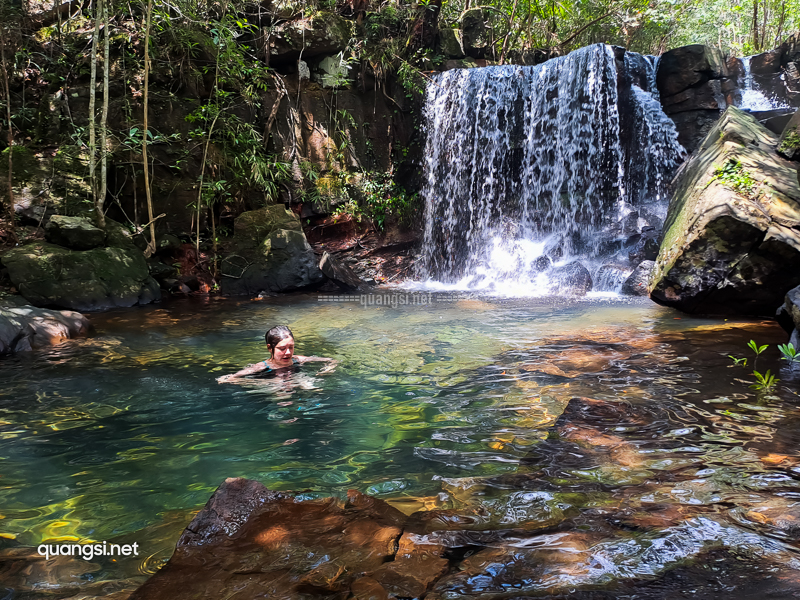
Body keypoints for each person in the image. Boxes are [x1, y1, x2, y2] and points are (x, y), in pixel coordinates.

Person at [217, 325, 337, 383]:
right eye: (282, 348)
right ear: (270, 348)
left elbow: (332, 360)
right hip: (275, 389)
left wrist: (328, 369)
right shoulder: (262, 367)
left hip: (296, 385)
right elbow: (232, 377)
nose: (288, 352)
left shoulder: (297, 360)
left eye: (291, 347)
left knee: (311, 385)